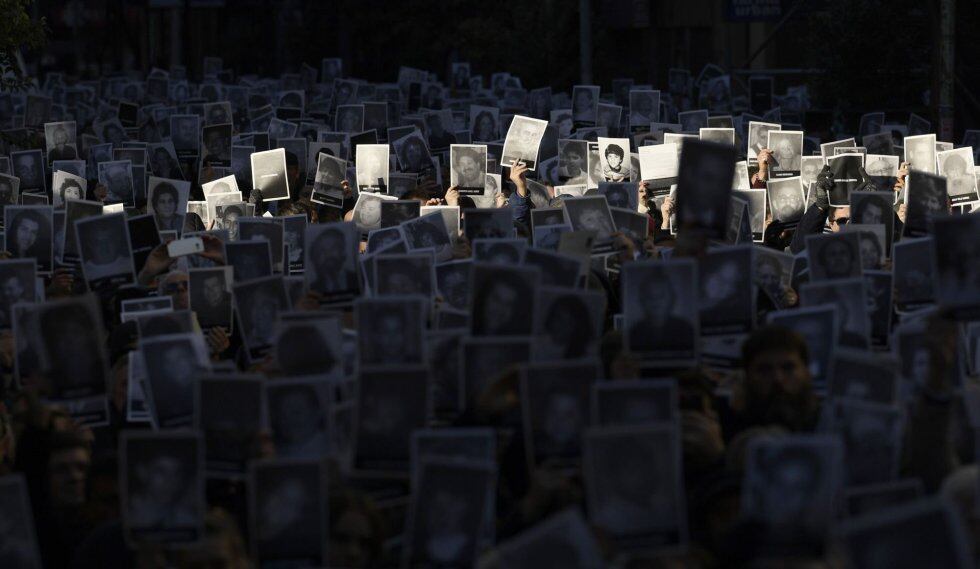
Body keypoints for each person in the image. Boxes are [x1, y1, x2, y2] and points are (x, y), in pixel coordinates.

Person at [626, 275, 695, 355]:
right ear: (642, 300)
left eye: (661, 296)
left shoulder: (686, 329)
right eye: (650, 295)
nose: (655, 300)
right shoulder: (634, 333)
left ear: (671, 299)